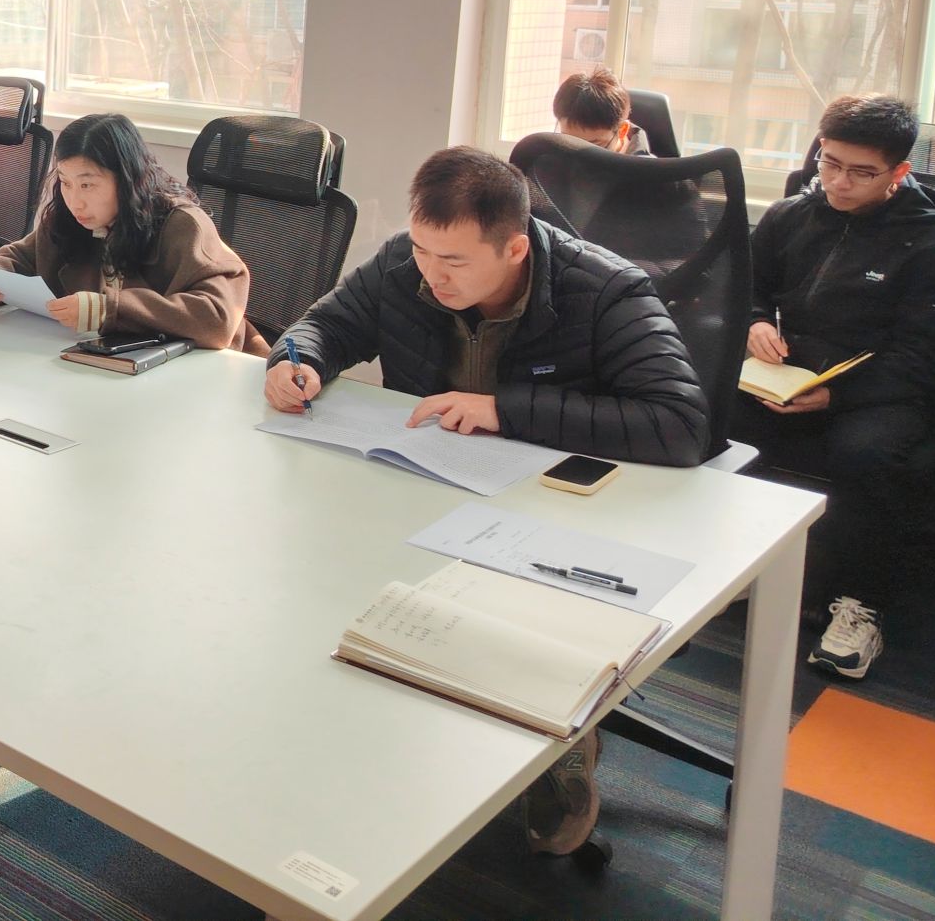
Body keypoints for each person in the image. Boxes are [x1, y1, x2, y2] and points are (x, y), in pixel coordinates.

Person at [265, 146, 711, 859]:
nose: (430, 275)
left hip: (556, 515)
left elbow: (679, 423)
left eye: (453, 261)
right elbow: (325, 323)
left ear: (515, 247)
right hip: (430, 489)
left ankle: (563, 740)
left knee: (512, 635)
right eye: (422, 250)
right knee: (315, 570)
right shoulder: (407, 262)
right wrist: (297, 361)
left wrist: (505, 409)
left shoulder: (605, 290)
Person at [738, 94, 935, 682]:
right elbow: (745, 287)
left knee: (865, 453)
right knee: (700, 411)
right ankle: (734, 560)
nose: (837, 182)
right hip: (790, 372)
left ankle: (862, 603)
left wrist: (837, 396)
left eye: (861, 172)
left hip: (882, 389)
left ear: (898, 171)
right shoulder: (790, 215)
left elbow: (927, 357)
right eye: (828, 163)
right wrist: (755, 322)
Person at [0, 112, 268, 355]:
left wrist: (108, 310)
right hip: (113, 369)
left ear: (127, 179)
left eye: (87, 184)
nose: (75, 200)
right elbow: (18, 257)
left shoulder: (182, 225)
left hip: (203, 376)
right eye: (65, 183)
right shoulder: (69, 218)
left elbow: (218, 319)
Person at [552, 66, 650, 154]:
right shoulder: (552, 156)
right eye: (568, 143)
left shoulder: (646, 168)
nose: (578, 156)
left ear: (622, 130)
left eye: (594, 146)